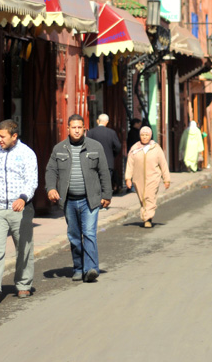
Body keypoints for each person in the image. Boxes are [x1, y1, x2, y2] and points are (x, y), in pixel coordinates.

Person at [0, 119, 38, 304]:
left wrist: (23, 198)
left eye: (2, 136)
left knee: (23, 248)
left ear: (14, 136)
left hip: (20, 208)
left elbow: (32, 180)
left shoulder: (27, 153)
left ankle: (23, 284)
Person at [47, 114, 112, 283]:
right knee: (74, 236)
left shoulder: (95, 147)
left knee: (89, 233)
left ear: (85, 128)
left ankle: (90, 269)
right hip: (69, 200)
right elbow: (51, 170)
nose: (76, 130)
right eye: (73, 127)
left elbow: (104, 171)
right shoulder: (59, 149)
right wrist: (51, 188)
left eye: (79, 127)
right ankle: (78, 267)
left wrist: (107, 195)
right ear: (67, 129)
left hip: (90, 199)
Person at [124, 126, 170, 228]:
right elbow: (130, 164)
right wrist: (128, 178)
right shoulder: (135, 148)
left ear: (150, 136)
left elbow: (163, 164)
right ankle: (146, 215)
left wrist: (166, 179)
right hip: (138, 179)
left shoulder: (156, 148)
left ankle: (147, 219)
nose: (144, 137)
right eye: (142, 135)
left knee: (150, 197)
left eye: (146, 135)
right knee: (143, 198)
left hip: (153, 177)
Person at [86, 113, 121, 194]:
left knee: (95, 182)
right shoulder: (112, 133)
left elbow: (86, 146)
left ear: (98, 121)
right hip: (108, 162)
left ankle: (96, 201)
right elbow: (118, 146)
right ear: (107, 122)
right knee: (106, 183)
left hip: (93, 162)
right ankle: (104, 201)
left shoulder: (91, 132)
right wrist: (113, 155)